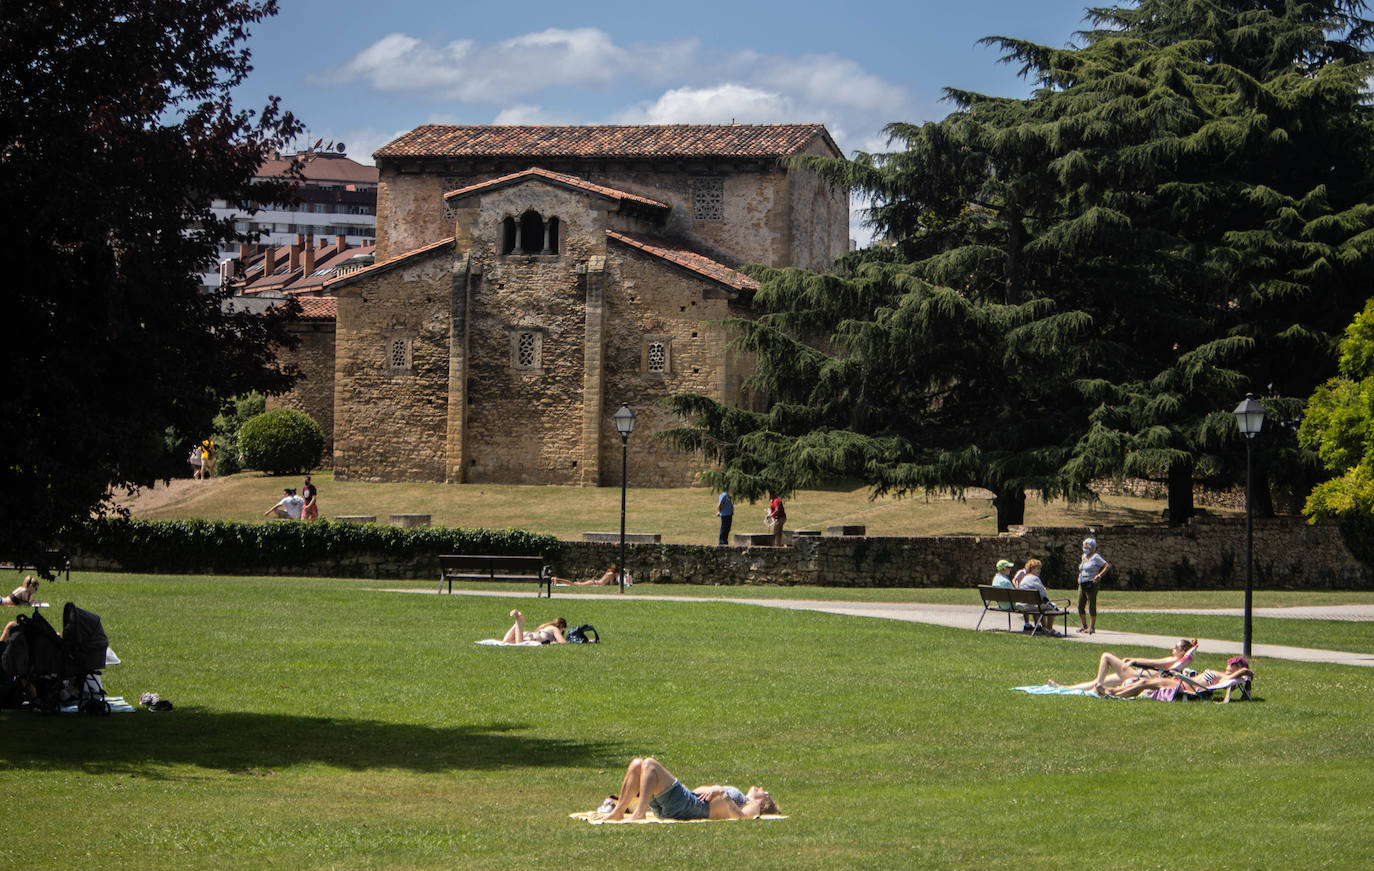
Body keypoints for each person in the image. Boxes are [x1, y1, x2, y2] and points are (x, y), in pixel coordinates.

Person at [596, 757, 779, 821]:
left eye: (765, 792)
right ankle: (619, 811)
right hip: (685, 803)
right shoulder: (742, 796)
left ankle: (640, 813)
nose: (761, 788)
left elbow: (742, 818)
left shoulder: (753, 804)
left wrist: (722, 794)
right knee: (637, 764)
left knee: (650, 764)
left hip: (694, 808)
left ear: (763, 803)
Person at [1048, 638, 1198, 693]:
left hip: (1136, 676)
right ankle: (1063, 688)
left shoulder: (1173, 660)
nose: (1173, 649)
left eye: (1176, 648)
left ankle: (1097, 687)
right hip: (1137, 675)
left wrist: (1134, 661)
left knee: (1106, 656)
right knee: (1097, 680)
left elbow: (1153, 663)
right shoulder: (1177, 661)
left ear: (1182, 651)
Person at [1106, 657, 1254, 701]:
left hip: (1186, 687)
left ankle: (1114, 694)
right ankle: (1115, 691)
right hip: (1183, 682)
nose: (1230, 665)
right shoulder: (1222, 674)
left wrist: (1246, 671)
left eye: (1235, 664)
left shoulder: (1225, 677)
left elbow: (1231, 678)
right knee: (1143, 682)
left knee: (1145, 683)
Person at [1076, 537, 1111, 634]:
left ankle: (1092, 627)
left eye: (1086, 546)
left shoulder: (1096, 557)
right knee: (1080, 604)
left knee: (1091, 604)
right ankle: (1083, 625)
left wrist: (1099, 576)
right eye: (1083, 546)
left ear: (1092, 547)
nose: (1084, 548)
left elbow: (1106, 566)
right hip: (1082, 582)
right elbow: (1082, 569)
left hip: (1092, 583)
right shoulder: (1084, 556)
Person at [1015, 558, 1058, 635]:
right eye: (1037, 568)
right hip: (1030, 605)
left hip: (1021, 605)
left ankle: (1044, 627)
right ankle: (1049, 628)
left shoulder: (1024, 579)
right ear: (1032, 569)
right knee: (1053, 607)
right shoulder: (1035, 579)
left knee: (1040, 606)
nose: (1039, 570)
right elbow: (1043, 595)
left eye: (1040, 569)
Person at [501, 610, 567, 644]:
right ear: (562, 628)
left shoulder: (544, 626)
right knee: (519, 643)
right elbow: (562, 642)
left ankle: (518, 622)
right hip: (534, 638)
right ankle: (518, 619)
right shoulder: (555, 629)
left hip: (529, 635)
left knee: (506, 641)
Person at [551, 565, 618, 586]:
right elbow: (611, 584)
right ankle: (557, 579)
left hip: (594, 582)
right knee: (575, 584)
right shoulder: (612, 574)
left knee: (574, 584)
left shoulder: (609, 573)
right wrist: (616, 582)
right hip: (594, 582)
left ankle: (558, 580)